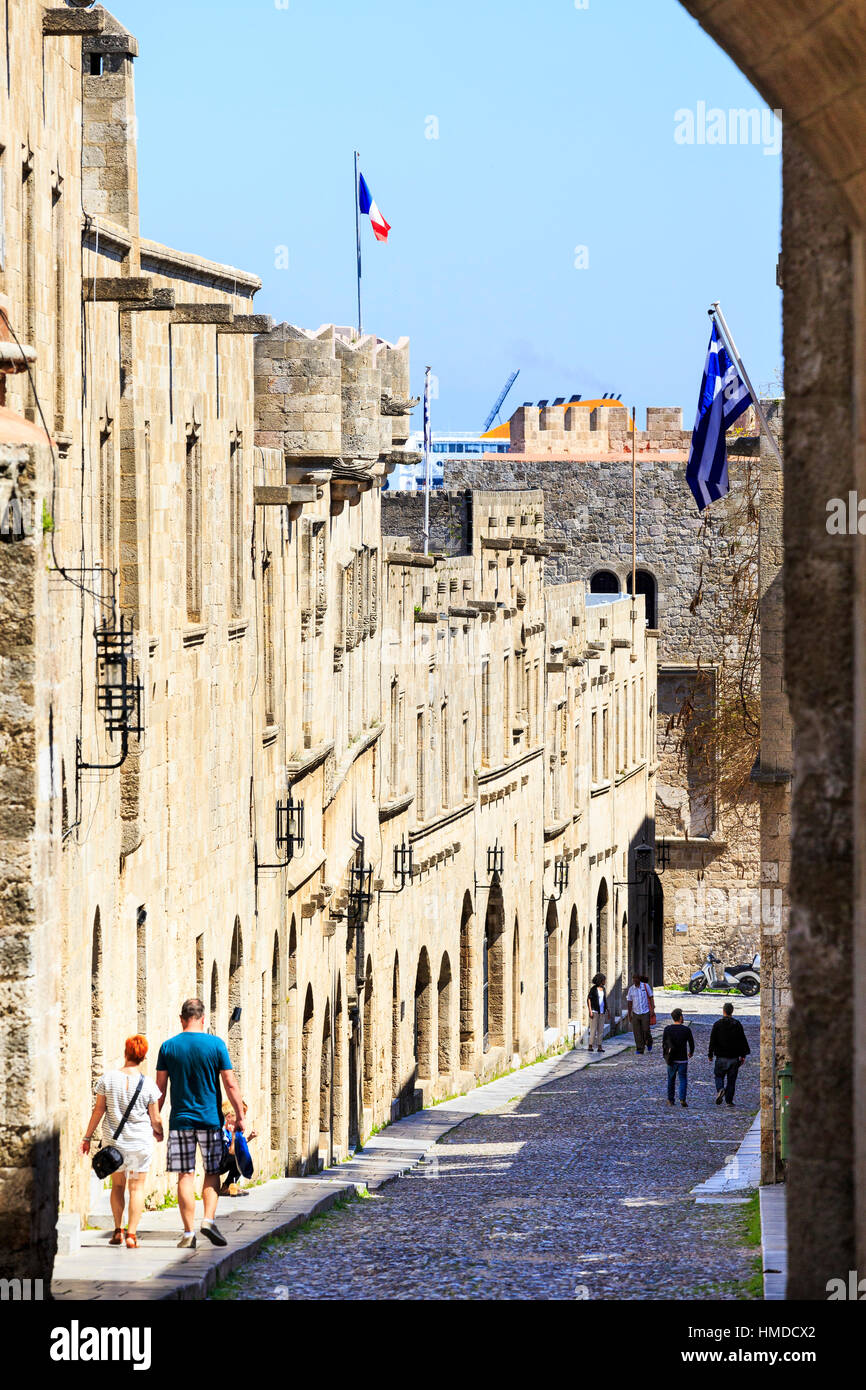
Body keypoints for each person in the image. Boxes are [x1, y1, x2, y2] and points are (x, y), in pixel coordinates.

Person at [156, 998, 245, 1249]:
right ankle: (208, 1219)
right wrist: (240, 1115)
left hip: (180, 1121)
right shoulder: (216, 1044)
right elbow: (230, 1084)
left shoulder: (168, 1047)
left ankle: (187, 1233)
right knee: (212, 1172)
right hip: (210, 1121)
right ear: (203, 1019)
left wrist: (155, 1119)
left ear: (182, 1019)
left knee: (184, 1175)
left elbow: (159, 1090)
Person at [80, 1034, 163, 1249]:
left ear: (125, 1053)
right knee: (136, 1188)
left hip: (115, 1145)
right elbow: (155, 1119)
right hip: (139, 1145)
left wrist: (87, 1137)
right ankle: (132, 1235)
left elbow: (98, 1110)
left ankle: (118, 1230)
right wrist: (159, 1132)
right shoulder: (149, 1085)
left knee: (117, 1186)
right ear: (143, 1057)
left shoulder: (107, 1079)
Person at [708, 1001, 751, 1106]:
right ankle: (729, 1101)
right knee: (731, 1081)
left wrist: (710, 1054)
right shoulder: (737, 1024)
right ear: (732, 1011)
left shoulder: (717, 1024)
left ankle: (720, 1089)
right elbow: (742, 1040)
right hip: (734, 1057)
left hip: (721, 1057)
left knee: (718, 1076)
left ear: (723, 1011)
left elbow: (712, 1040)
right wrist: (743, 1055)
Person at [220, 1099, 257, 1197]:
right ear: (229, 1117)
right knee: (240, 1157)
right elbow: (232, 1151)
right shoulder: (222, 1130)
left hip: (223, 1161)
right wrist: (234, 1135)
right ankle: (226, 1187)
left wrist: (249, 1137)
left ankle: (230, 1185)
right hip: (216, 1165)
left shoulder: (229, 1129)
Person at [662, 1007, 695, 1107]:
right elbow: (691, 1043)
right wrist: (691, 1052)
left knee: (671, 1079)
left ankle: (670, 1099)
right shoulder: (686, 1030)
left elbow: (664, 1044)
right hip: (682, 1059)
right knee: (683, 1079)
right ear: (680, 1017)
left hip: (671, 1059)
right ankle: (682, 1098)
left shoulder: (667, 1029)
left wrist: (665, 1056)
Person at [626, 971, 654, 1054]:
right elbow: (629, 1002)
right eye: (633, 979)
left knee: (646, 1030)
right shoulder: (631, 989)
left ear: (639, 979)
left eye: (636, 978)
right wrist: (629, 1014)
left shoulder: (645, 986)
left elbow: (651, 997)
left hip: (645, 1011)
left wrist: (652, 1009)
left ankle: (649, 1042)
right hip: (635, 1012)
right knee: (637, 1032)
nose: (634, 980)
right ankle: (640, 1048)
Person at [587, 973, 610, 1052]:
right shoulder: (593, 989)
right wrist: (590, 1010)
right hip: (594, 1011)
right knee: (593, 1029)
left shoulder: (603, 989)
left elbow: (604, 1000)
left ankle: (599, 1046)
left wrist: (607, 1009)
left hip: (602, 1012)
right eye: (604, 980)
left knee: (601, 1030)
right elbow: (589, 999)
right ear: (601, 980)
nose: (605, 981)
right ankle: (590, 1045)